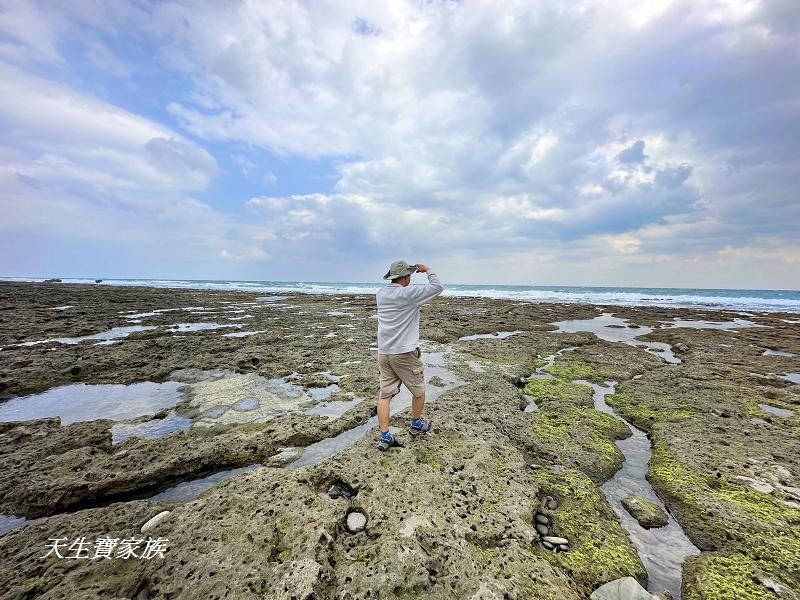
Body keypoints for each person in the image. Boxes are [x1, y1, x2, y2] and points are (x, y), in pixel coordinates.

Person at [375, 259, 444, 451]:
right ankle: (415, 424)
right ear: (405, 276)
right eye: (410, 274)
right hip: (404, 352)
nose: (411, 277)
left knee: (385, 395)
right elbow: (438, 287)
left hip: (384, 352)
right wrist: (428, 270)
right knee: (419, 390)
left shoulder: (380, 294)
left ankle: (385, 436)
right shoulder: (409, 294)